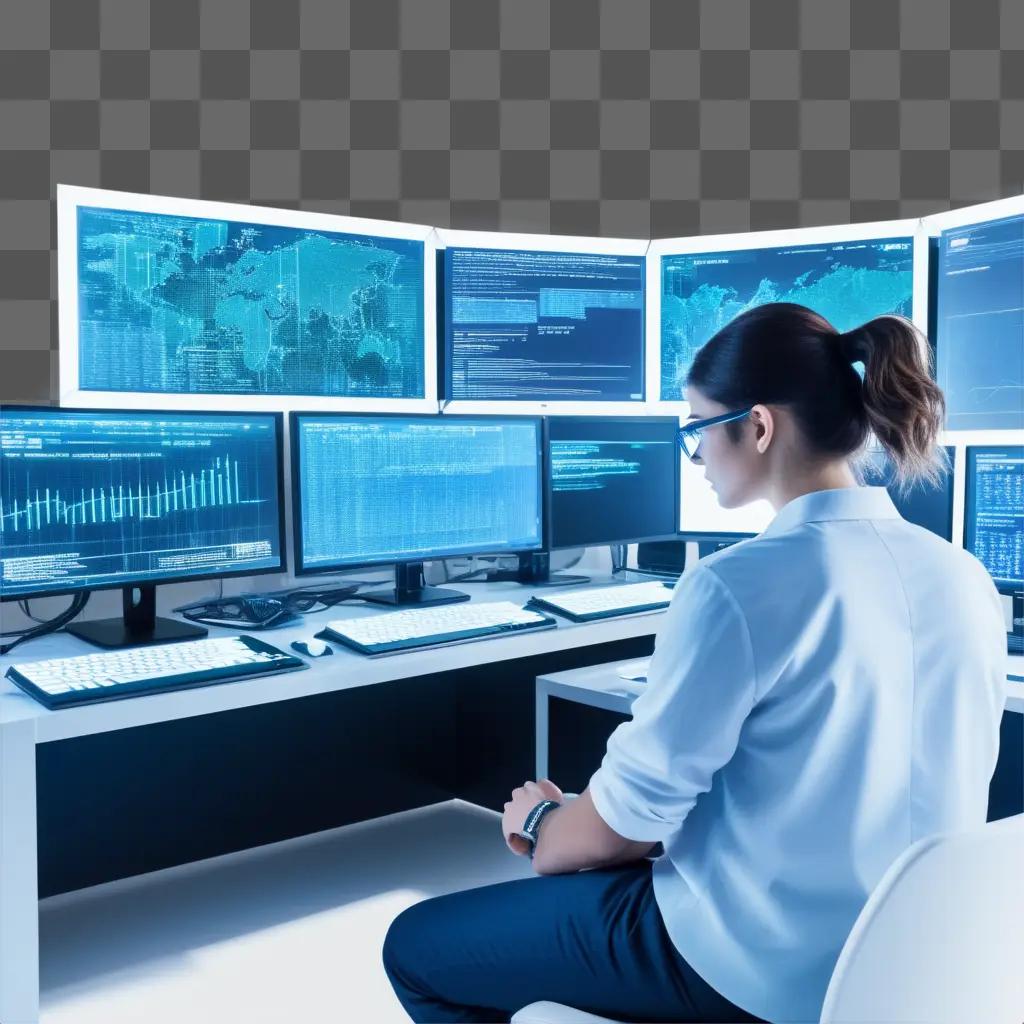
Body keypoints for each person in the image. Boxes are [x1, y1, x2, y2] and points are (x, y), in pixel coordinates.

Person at [382, 302, 1007, 1024]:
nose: (697, 455)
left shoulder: (737, 586)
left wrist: (544, 820)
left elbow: (621, 829)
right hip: (911, 969)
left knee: (416, 949)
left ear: (760, 426)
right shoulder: (964, 576)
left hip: (754, 972)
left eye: (697, 429)